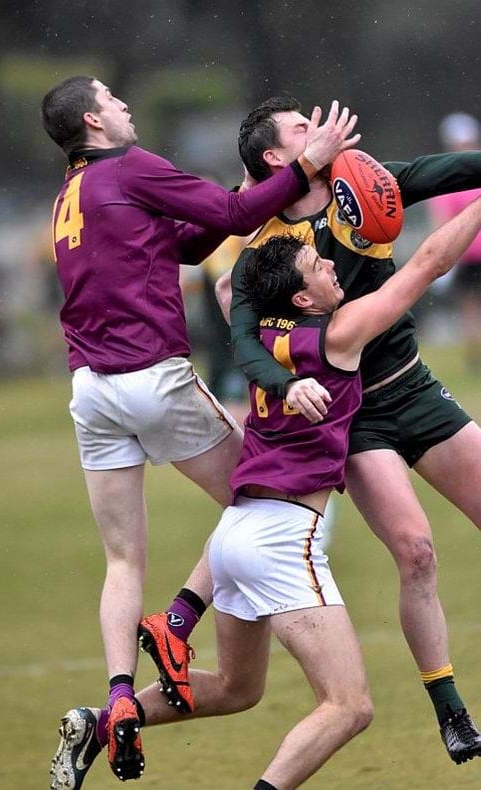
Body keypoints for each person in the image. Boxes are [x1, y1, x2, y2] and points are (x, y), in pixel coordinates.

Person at [53, 194, 481, 790]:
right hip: (281, 543)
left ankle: (101, 723)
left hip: (232, 537)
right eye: (317, 268)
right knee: (349, 706)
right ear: (303, 299)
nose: (331, 266)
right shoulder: (340, 335)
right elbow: (430, 261)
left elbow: (232, 287)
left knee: (237, 689)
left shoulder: (253, 333)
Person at [38, 75, 358, 780]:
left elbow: (188, 241)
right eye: (114, 99)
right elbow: (238, 210)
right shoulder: (132, 164)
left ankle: (119, 697)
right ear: (95, 120)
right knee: (264, 496)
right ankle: (179, 620)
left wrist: (244, 199)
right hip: (152, 378)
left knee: (123, 560)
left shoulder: (71, 192)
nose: (126, 105)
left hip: (90, 393)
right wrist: (305, 165)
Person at [213, 96, 481, 764]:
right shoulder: (264, 248)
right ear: (276, 158)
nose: (323, 128)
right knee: (416, 550)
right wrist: (282, 377)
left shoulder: (356, 183)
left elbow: (431, 172)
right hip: (353, 419)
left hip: (414, 387)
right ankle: (451, 712)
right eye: (304, 127)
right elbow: (241, 329)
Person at [427, 112, 481, 373]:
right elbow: (441, 220)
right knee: (469, 308)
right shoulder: (450, 176)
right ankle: (473, 358)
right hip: (467, 255)